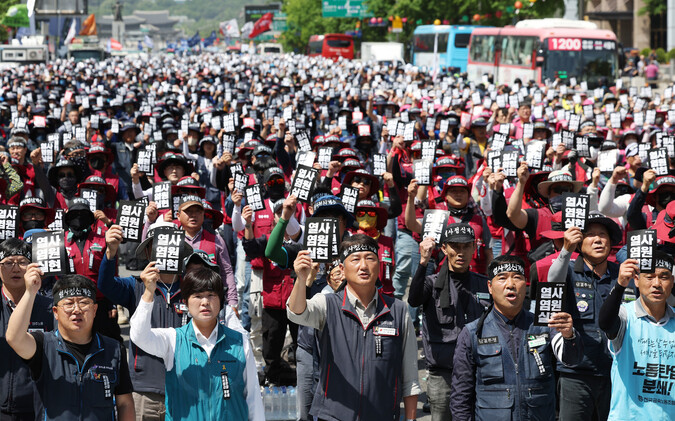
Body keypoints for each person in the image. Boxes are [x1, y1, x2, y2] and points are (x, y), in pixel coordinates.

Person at [287, 234, 420, 421]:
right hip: (334, 416)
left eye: (370, 258)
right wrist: (301, 280)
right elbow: (296, 313)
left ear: (379, 265)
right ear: (342, 268)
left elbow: (410, 376)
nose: (363, 266)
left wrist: (411, 418)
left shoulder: (398, 310)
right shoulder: (327, 304)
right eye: (355, 259)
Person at [450, 255, 583, 420]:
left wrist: (569, 336)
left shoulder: (545, 325)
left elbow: (571, 360)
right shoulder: (472, 333)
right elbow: (460, 396)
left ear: (525, 284)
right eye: (502, 278)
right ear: (490, 287)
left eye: (517, 278)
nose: (510, 285)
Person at [130, 266, 263, 420]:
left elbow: (253, 399)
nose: (205, 302)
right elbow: (139, 336)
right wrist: (148, 292)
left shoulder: (240, 342)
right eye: (198, 296)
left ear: (220, 300)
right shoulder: (173, 340)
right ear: (185, 302)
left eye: (211, 295)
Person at [6, 271, 135, 420]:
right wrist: (30, 292)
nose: (77, 310)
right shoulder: (42, 345)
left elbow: (125, 402)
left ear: (94, 310)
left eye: (84, 302)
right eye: (68, 304)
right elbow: (14, 338)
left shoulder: (114, 349)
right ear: (55, 312)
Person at [548, 212, 635, 421]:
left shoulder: (622, 274)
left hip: (617, 373)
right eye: (590, 234)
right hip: (576, 374)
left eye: (603, 234)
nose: (597, 239)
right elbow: (552, 281)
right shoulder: (567, 270)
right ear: (579, 241)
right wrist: (565, 250)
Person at [408, 223, 490, 421]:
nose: (460, 252)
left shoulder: (485, 283)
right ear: (444, 248)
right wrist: (423, 262)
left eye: (466, 246)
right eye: (455, 246)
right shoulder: (432, 283)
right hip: (443, 372)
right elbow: (414, 299)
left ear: (474, 248)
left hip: (478, 371)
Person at [599, 252, 675, 417]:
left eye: (664, 277)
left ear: (672, 282)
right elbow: (605, 323)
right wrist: (619, 285)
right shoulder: (625, 315)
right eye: (649, 277)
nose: (657, 283)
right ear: (636, 281)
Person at [0, 239, 53, 420]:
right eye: (8, 263)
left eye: (22, 262)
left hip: (38, 406)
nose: (16, 269)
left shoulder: (51, 308)